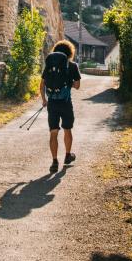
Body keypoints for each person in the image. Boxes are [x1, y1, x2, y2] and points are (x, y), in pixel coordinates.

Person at [40, 39, 81, 174]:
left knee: (53, 132)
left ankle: (54, 161)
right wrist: (68, 81)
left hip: (52, 103)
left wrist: (44, 100)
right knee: (67, 129)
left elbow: (42, 85)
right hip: (65, 103)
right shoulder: (72, 66)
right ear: (70, 52)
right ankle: (68, 155)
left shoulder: (49, 65)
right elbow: (77, 86)